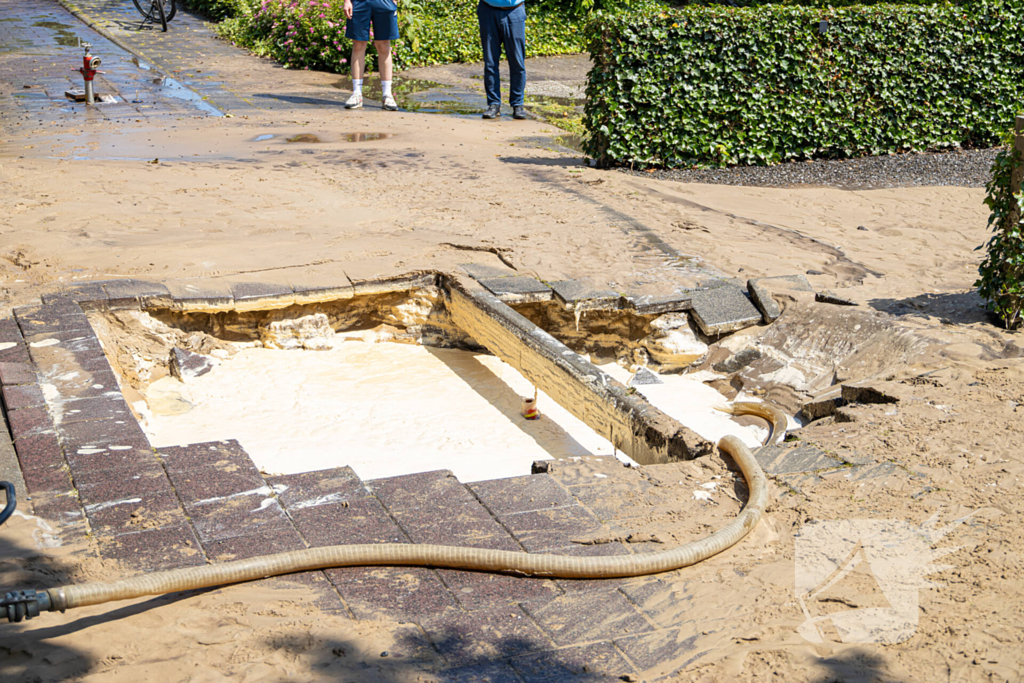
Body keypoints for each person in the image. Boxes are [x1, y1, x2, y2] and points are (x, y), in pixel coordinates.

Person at [344, 0, 400, 111]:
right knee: (358, 45)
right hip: (359, 2)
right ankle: (356, 94)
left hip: (384, 2)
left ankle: (387, 95)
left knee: (384, 46)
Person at [477, 0, 526, 120]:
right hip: (488, 10)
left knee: (517, 62)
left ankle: (518, 104)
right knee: (490, 62)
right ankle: (493, 104)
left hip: (515, 10)